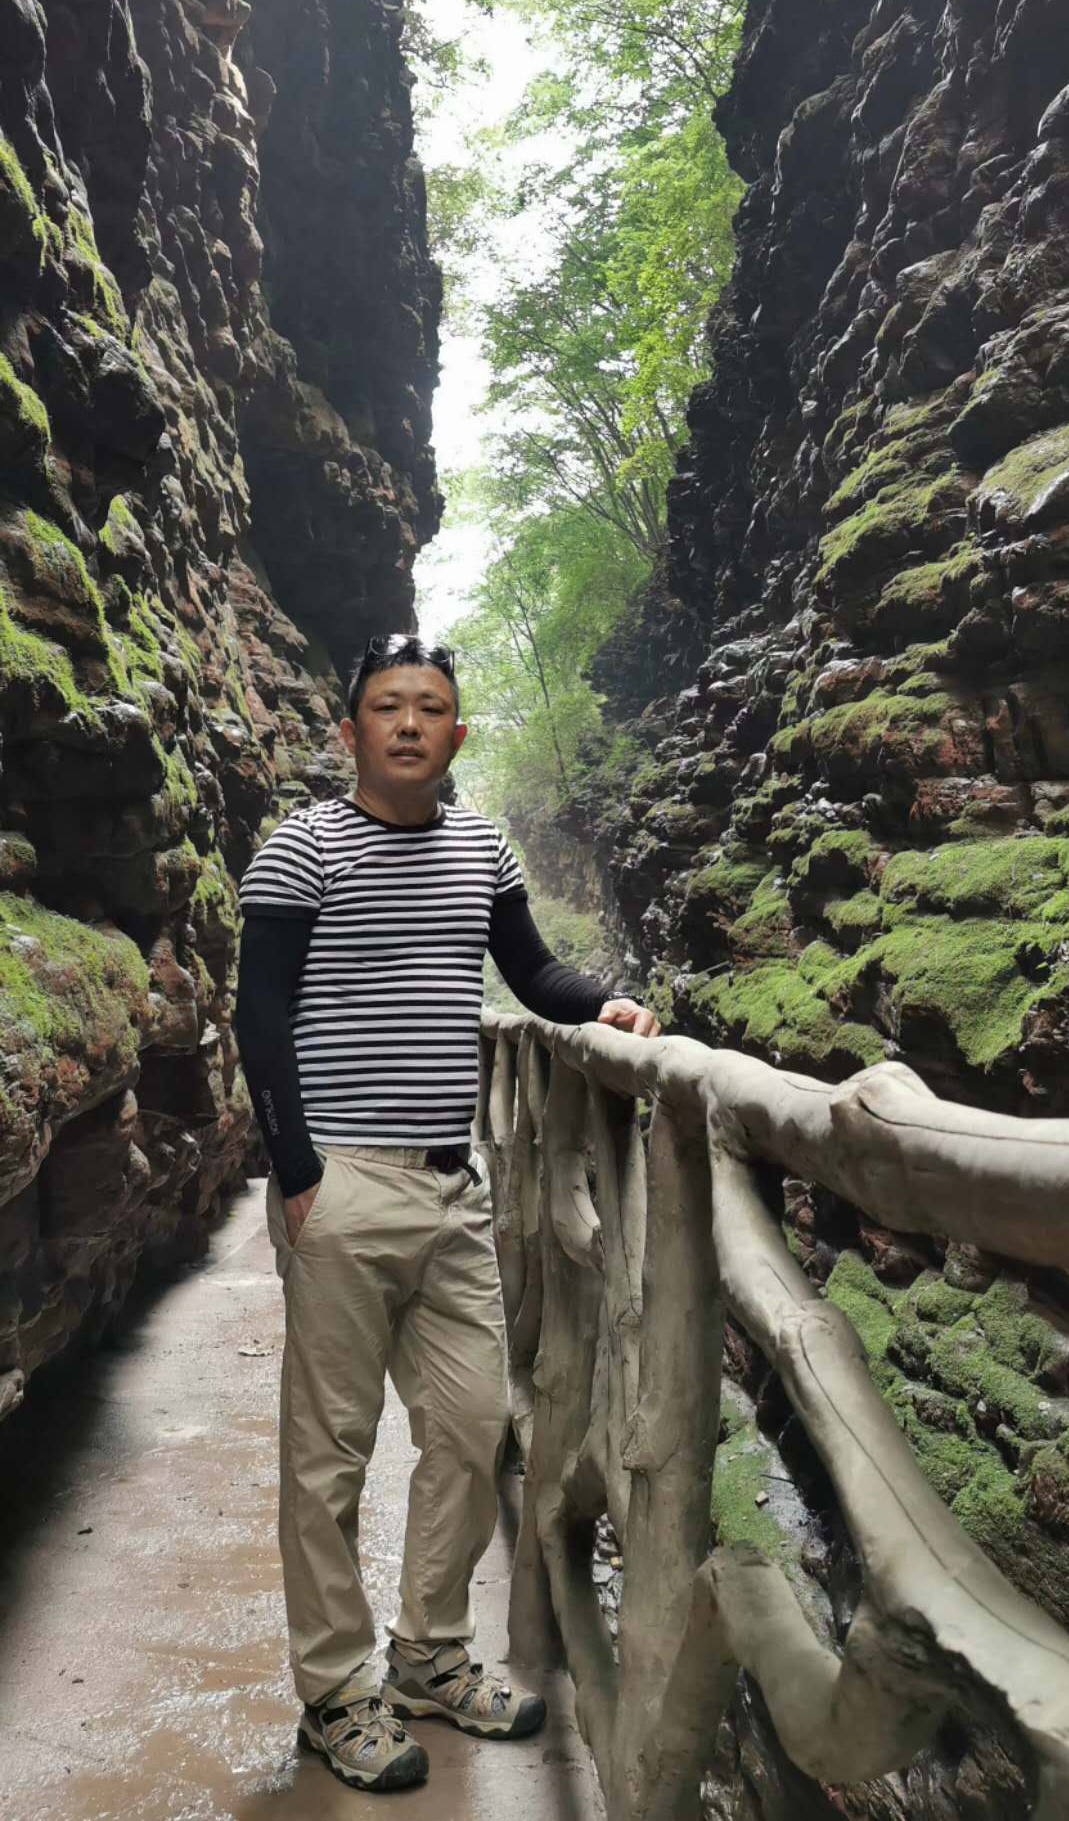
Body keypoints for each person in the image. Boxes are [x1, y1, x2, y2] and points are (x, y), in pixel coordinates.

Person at [233, 631, 661, 1795]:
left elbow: (531, 972)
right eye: (388, 706)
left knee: (471, 1427)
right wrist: (297, 1168)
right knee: (329, 1453)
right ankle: (336, 1690)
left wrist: (607, 1002)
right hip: (343, 1180)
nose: (410, 722)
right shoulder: (303, 848)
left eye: (430, 706)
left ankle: (427, 1653)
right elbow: (259, 1015)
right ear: (351, 730)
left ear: (457, 732)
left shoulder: (480, 846)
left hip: (453, 1186)